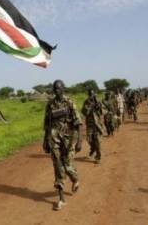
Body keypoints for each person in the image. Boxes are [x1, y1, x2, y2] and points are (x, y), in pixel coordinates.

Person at [43, 80, 82, 211]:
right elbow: (47, 124)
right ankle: (61, 199)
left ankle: (75, 179)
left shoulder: (70, 102)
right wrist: (45, 140)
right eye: (54, 89)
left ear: (63, 89)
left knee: (67, 165)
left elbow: (78, 122)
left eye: (58, 89)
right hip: (54, 138)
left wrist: (80, 140)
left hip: (69, 138)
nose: (56, 91)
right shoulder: (50, 104)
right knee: (57, 165)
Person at [82, 89, 103, 164]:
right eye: (90, 94)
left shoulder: (98, 101)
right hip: (90, 124)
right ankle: (93, 148)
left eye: (93, 94)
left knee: (97, 141)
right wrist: (90, 106)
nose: (92, 96)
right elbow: (84, 112)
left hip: (97, 124)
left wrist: (98, 105)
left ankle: (98, 157)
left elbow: (101, 112)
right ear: (88, 95)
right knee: (89, 139)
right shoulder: (86, 102)